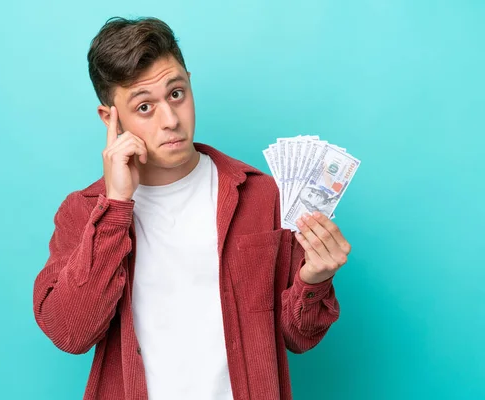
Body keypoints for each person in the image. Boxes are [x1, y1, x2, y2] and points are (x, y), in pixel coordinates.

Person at [32, 16, 351, 400]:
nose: (170, 120)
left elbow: (296, 337)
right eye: (145, 106)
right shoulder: (82, 213)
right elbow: (71, 332)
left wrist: (314, 279)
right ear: (110, 119)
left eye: (176, 94)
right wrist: (116, 206)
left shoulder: (261, 195)